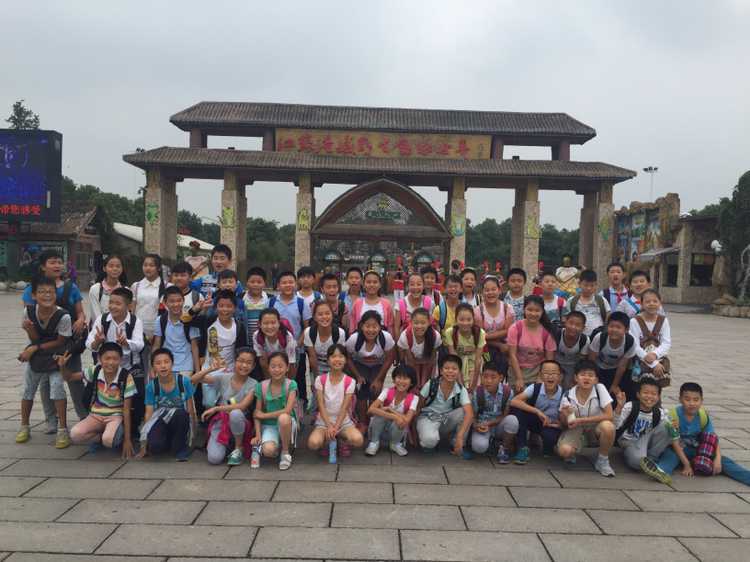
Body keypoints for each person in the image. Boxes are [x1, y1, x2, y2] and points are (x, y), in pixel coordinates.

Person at [22, 250, 87, 431]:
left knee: (74, 378)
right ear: (43, 266)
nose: (57, 265)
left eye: (59, 262)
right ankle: (51, 420)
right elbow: (32, 317)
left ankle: (84, 415)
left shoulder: (70, 287)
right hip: (45, 345)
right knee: (45, 382)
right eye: (52, 262)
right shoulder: (31, 289)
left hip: (68, 341)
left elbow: (80, 311)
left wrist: (80, 320)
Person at [656, 382, 750, 486]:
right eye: (687, 399)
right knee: (666, 463)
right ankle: (662, 470)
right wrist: (687, 465)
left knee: (725, 462)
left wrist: (717, 458)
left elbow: (712, 438)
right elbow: (675, 443)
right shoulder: (673, 415)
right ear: (680, 399)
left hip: (697, 449)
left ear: (701, 401)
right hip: (676, 449)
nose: (692, 403)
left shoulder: (702, 416)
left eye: (696, 400)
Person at [16, 276, 72, 448]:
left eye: (51, 292)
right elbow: (35, 338)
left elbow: (61, 342)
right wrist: (30, 329)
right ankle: (24, 426)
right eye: (41, 292)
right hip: (37, 357)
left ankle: (62, 429)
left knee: (57, 388)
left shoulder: (63, 316)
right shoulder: (28, 312)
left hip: (55, 356)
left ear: (56, 294)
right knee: (28, 390)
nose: (47, 295)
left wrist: (34, 348)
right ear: (33, 295)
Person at [85, 287, 145, 431]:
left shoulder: (135, 321)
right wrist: (97, 341)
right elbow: (89, 343)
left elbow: (140, 345)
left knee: (138, 398)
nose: (112, 306)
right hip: (107, 367)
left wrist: (126, 343)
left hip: (129, 366)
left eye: (118, 303)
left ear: (128, 306)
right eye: (111, 302)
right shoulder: (102, 319)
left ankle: (132, 430)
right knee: (88, 396)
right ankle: (98, 424)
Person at [68, 342, 137, 458]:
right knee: (75, 434)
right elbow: (70, 377)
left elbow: (126, 410)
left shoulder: (126, 377)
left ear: (120, 360)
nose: (111, 362)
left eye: (115, 359)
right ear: (100, 359)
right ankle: (101, 436)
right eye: (107, 358)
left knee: (109, 440)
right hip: (96, 415)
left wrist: (127, 440)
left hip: (115, 416)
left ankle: (114, 435)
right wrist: (62, 366)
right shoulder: (95, 370)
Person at [193, 347, 258, 465]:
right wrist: (210, 369)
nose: (244, 365)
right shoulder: (224, 377)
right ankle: (227, 446)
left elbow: (242, 406)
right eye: (241, 361)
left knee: (236, 413)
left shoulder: (253, 384)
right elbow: (194, 379)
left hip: (240, 424)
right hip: (222, 423)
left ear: (253, 366)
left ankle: (238, 447)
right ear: (235, 361)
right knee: (214, 458)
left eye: (249, 363)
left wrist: (216, 408)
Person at [557, 359, 616, 477]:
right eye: (583, 374)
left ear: (596, 379)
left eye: (591, 375)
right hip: (576, 428)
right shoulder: (567, 395)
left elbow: (609, 415)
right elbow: (564, 424)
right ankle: (572, 450)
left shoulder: (600, 389)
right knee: (565, 451)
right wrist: (565, 415)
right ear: (576, 378)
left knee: (608, 427)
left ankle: (602, 460)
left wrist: (581, 420)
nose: (587, 378)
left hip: (595, 427)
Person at [137, 348, 195, 461]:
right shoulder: (151, 387)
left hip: (179, 420)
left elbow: (190, 411)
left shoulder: (184, 382)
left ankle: (181, 447)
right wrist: (144, 444)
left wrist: (192, 437)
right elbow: (149, 414)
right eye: (158, 363)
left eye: (166, 362)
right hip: (161, 420)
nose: (163, 366)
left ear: (172, 364)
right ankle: (169, 441)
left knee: (181, 414)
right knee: (155, 447)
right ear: (153, 367)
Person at [613, 377, 675, 484]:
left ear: (658, 397)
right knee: (636, 463)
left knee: (667, 426)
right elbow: (615, 426)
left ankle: (651, 459)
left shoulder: (660, 413)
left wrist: (674, 426)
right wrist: (619, 407)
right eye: (646, 393)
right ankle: (646, 461)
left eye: (653, 394)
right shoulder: (630, 407)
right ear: (638, 394)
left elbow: (667, 434)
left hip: (646, 441)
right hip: (629, 442)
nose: (649, 396)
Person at [307, 344, 364, 458]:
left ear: (345, 360)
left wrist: (336, 427)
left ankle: (342, 440)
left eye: (341, 356)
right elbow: (321, 405)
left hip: (343, 422)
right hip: (324, 421)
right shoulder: (320, 380)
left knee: (358, 440)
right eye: (333, 356)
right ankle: (326, 442)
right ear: (328, 360)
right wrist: (329, 426)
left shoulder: (350, 381)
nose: (337, 359)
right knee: (313, 444)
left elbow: (344, 407)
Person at [198, 289, 248, 409]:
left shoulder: (239, 327)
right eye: (221, 306)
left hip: (229, 371)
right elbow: (187, 322)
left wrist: (238, 372)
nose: (225, 309)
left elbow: (242, 351)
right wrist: (199, 309)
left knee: (230, 403)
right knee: (209, 403)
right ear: (216, 307)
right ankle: (211, 419)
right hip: (210, 369)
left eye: (229, 306)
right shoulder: (208, 321)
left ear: (234, 308)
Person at [416, 354, 474, 455]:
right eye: (446, 368)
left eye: (454, 369)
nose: (450, 371)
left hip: (446, 419)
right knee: (429, 441)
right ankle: (429, 439)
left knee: (465, 412)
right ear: (441, 371)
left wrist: (460, 436)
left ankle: (456, 444)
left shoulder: (461, 389)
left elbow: (470, 414)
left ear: (459, 372)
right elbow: (419, 405)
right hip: (428, 417)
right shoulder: (431, 384)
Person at [345, 310, 396, 423]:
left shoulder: (386, 338)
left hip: (378, 365)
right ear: (361, 326)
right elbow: (347, 358)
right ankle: (363, 421)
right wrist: (357, 376)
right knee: (361, 392)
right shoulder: (354, 339)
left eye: (374, 326)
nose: (371, 330)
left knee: (375, 391)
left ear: (380, 327)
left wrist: (379, 379)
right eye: (367, 326)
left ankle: (373, 421)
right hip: (360, 365)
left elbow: (389, 359)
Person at [509, 359, 564, 464]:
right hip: (535, 420)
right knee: (519, 410)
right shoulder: (535, 388)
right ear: (540, 375)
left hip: (552, 425)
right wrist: (537, 412)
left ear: (560, 377)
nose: (550, 376)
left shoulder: (565, 393)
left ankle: (548, 447)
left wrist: (561, 424)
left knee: (550, 438)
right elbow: (514, 401)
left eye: (554, 373)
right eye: (546, 373)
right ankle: (522, 447)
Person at [252, 351, 298, 470]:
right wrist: (258, 435)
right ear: (268, 368)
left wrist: (264, 416)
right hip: (269, 426)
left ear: (287, 368)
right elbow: (257, 414)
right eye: (273, 366)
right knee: (268, 451)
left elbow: (287, 410)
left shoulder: (291, 384)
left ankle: (285, 452)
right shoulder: (261, 386)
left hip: (286, 423)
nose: (277, 370)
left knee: (283, 418)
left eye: (280, 366)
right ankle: (277, 444)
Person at [269, 271, 311, 402]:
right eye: (284, 282)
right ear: (278, 285)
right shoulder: (272, 302)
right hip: (276, 350)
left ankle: (300, 406)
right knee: (276, 379)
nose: (288, 285)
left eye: (291, 282)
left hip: (297, 350)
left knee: (299, 381)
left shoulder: (301, 303)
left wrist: (298, 344)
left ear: (296, 284)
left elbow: (306, 327)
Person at [365, 364, 419, 457]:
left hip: (397, 431)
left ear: (411, 383)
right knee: (380, 413)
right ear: (394, 379)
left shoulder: (414, 398)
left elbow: (407, 420)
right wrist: (394, 416)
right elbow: (371, 409)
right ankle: (374, 442)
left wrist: (390, 410)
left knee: (401, 421)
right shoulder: (387, 391)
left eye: (405, 378)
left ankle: (395, 444)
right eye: (399, 377)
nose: (401, 381)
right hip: (379, 429)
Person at [507, 295, 557, 394]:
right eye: (529, 310)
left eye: (537, 310)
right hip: (516, 371)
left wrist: (540, 377)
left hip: (537, 372)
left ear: (542, 311)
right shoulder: (515, 328)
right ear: (524, 310)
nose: (533, 314)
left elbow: (549, 360)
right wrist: (519, 378)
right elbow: (512, 355)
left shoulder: (547, 332)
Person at [469, 362, 517, 462]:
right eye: (485, 377)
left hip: (499, 425)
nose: (488, 381)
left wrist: (489, 423)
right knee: (479, 447)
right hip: (482, 426)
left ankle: (504, 449)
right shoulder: (477, 393)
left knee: (512, 420)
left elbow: (505, 415)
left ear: (501, 378)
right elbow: (472, 416)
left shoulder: (507, 392)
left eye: (493, 377)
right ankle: (491, 442)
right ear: (481, 376)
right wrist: (477, 426)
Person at [152, 286, 201, 377]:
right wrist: (152, 368)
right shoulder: (160, 320)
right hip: (165, 364)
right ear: (165, 303)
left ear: (183, 301)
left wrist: (198, 371)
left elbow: (194, 347)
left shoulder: (190, 319)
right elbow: (156, 345)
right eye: (172, 301)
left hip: (186, 366)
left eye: (179, 301)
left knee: (181, 386)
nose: (176, 304)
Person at [629, 289, 671, 391]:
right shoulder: (634, 321)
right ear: (641, 304)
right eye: (647, 301)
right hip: (640, 363)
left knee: (656, 391)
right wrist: (653, 364)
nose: (651, 304)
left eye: (655, 301)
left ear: (660, 303)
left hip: (660, 360)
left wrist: (655, 355)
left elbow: (666, 343)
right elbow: (634, 345)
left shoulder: (663, 320)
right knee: (640, 390)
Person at [587, 311, 636, 399]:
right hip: (598, 368)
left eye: (618, 327)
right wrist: (593, 378)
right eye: (611, 326)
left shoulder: (630, 342)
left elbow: (622, 366)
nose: (614, 330)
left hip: (615, 370)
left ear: (626, 329)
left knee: (614, 394)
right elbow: (591, 360)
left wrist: (614, 385)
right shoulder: (600, 337)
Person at [130, 253, 166, 369]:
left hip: (158, 333)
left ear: (158, 268)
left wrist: (155, 333)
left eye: (151, 265)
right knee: (140, 366)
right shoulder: (136, 286)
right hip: (139, 332)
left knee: (156, 364)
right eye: (145, 265)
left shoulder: (166, 286)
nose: (147, 268)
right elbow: (133, 309)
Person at [474, 275, 514, 370]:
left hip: (505, 350)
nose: (490, 292)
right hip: (484, 350)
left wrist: (486, 336)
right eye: (487, 290)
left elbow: (508, 331)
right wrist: (499, 344)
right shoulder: (478, 311)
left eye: (493, 289)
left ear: (499, 290)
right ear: (482, 292)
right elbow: (479, 336)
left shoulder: (507, 308)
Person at [397, 307, 441, 389]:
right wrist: (417, 382)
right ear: (411, 322)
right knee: (415, 384)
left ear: (429, 323)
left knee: (425, 384)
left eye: (423, 323)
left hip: (428, 361)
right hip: (412, 361)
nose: (419, 326)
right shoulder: (405, 336)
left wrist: (424, 381)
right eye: (416, 323)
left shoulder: (435, 336)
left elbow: (432, 358)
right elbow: (410, 360)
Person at [445, 303, 485, 390]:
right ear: (456, 319)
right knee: (459, 389)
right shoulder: (450, 333)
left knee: (475, 390)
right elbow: (454, 358)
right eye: (461, 319)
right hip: (458, 365)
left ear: (473, 319)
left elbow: (478, 360)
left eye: (469, 319)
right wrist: (460, 381)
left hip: (474, 365)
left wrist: (474, 383)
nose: (465, 323)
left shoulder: (480, 333)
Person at [304, 300, 347, 379]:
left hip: (335, 366)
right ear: (314, 317)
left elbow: (339, 358)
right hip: (317, 367)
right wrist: (317, 378)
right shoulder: (309, 332)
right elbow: (313, 358)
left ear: (332, 315)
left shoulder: (340, 333)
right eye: (320, 314)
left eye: (327, 313)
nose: (324, 317)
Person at [564, 269, 610, 337]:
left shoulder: (601, 300)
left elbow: (608, 318)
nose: (589, 288)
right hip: (577, 337)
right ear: (579, 284)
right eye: (586, 285)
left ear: (596, 285)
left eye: (592, 285)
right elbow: (566, 319)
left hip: (598, 337)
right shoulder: (572, 301)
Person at [253, 308, 297, 379]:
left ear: (279, 323)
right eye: (265, 323)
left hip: (285, 363)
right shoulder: (257, 336)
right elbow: (263, 362)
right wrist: (269, 381)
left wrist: (289, 382)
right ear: (259, 324)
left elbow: (291, 364)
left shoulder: (287, 337)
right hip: (268, 364)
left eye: (273, 323)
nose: (269, 327)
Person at [393, 273, 433, 340]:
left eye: (419, 284)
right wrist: (398, 343)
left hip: (425, 340)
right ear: (407, 286)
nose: (415, 287)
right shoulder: (400, 304)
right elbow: (396, 328)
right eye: (412, 284)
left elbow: (431, 324)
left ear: (423, 286)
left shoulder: (429, 302)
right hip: (406, 341)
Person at [88, 254, 127, 323]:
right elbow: (96, 316)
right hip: (100, 328)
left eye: (118, 266)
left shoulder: (126, 291)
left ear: (122, 269)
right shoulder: (95, 289)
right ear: (104, 268)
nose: (115, 269)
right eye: (111, 266)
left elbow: (126, 315)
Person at [554, 311, 589, 389]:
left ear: (583, 328)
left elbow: (581, 361)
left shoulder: (584, 340)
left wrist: (575, 377)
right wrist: (554, 372)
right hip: (556, 364)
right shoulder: (556, 334)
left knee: (569, 387)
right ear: (565, 323)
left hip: (572, 367)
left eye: (578, 325)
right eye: (571, 323)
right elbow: (550, 356)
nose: (573, 327)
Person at [242, 267, 270, 343]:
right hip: (245, 341)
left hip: (265, 342)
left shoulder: (270, 299)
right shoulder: (240, 299)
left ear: (264, 284)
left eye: (259, 282)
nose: (255, 284)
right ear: (247, 283)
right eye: (252, 282)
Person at [433, 274, 462, 345]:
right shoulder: (439, 310)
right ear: (445, 289)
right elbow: (435, 332)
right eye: (450, 287)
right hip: (445, 347)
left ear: (461, 289)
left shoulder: (466, 308)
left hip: (463, 347)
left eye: (456, 286)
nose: (453, 289)